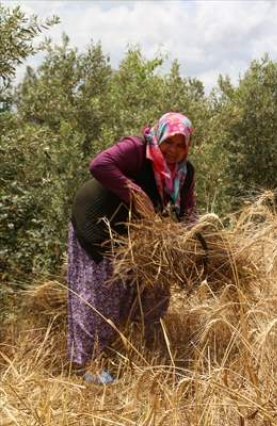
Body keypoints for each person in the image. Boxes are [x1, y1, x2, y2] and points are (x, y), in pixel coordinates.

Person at [67, 112, 196, 384]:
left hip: (135, 235)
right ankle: (88, 366)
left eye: (180, 144)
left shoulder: (184, 172)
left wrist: (197, 239)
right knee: (99, 293)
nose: (173, 150)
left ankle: (136, 353)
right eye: (169, 142)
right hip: (97, 222)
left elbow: (187, 212)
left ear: (188, 146)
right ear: (159, 137)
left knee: (154, 289)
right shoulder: (137, 150)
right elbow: (99, 165)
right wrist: (134, 192)